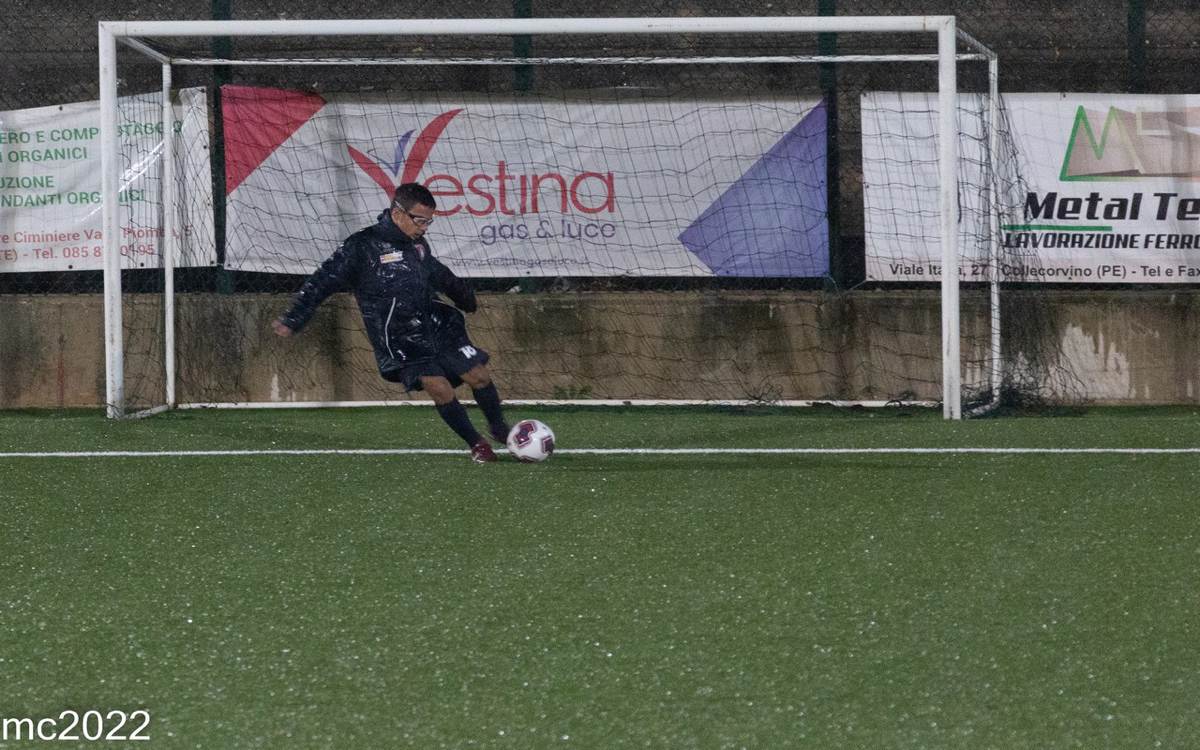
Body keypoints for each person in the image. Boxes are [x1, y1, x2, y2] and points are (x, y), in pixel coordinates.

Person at [272, 182, 510, 463]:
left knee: (479, 375)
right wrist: (295, 317)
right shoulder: (362, 246)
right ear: (398, 213)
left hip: (436, 324)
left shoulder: (417, 244)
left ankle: (499, 428)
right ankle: (477, 443)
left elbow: (437, 272)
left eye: (429, 222)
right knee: (438, 386)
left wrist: (464, 296)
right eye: (420, 221)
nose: (424, 228)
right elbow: (323, 280)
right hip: (400, 337)